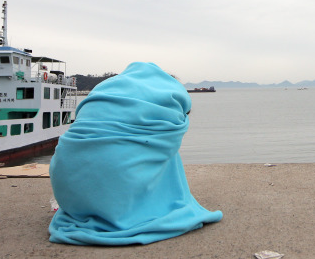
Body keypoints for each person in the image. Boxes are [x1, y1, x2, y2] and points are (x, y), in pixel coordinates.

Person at [48, 62, 222, 245]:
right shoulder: (168, 100)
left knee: (144, 145)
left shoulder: (106, 89)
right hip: (113, 195)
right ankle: (144, 203)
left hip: (68, 189)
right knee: (164, 148)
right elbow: (181, 120)